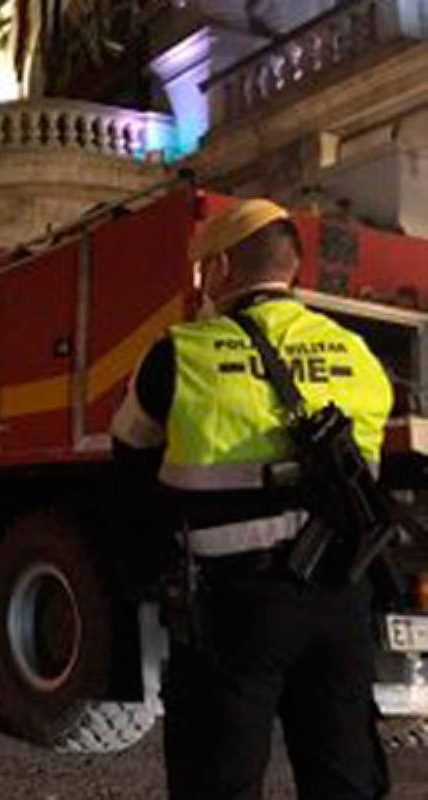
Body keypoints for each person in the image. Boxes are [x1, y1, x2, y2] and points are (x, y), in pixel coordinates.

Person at [111, 199, 393, 799]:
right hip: (342, 598)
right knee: (343, 776)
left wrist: (142, 573)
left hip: (236, 607)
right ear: (292, 269)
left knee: (219, 777)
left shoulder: (180, 354)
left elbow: (130, 457)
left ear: (220, 270)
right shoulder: (358, 355)